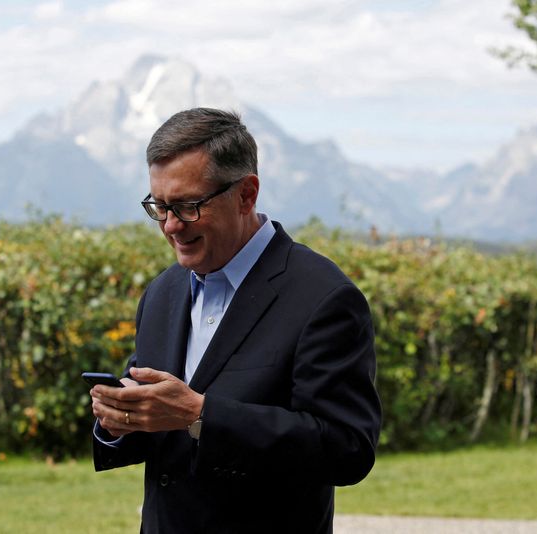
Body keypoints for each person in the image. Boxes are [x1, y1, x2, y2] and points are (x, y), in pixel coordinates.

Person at [89, 107, 381, 533]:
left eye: (188, 206)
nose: (171, 226)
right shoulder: (162, 292)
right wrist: (120, 418)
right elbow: (164, 425)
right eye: (160, 207)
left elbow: (346, 448)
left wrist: (202, 416)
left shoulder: (324, 297)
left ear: (246, 194)